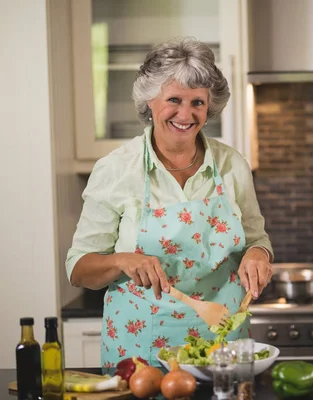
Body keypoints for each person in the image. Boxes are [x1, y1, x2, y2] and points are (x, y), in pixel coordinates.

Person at [66, 37, 274, 368]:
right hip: (141, 350)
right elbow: (79, 270)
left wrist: (258, 255)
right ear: (150, 101)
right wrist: (122, 260)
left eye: (197, 103)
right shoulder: (117, 169)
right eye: (174, 99)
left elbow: (256, 240)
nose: (185, 114)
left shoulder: (231, 165)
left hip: (222, 345)